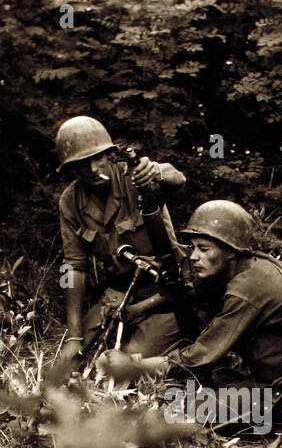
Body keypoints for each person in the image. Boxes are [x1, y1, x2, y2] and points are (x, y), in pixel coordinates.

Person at [107, 200, 282, 430]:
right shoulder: (250, 269)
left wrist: (134, 364)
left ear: (230, 251)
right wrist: (140, 309)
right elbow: (191, 293)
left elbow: (200, 357)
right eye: (192, 247)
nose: (194, 257)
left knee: (177, 408)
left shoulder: (248, 288)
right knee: (185, 390)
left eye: (204, 248)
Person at [54, 116, 185, 361]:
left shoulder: (134, 178)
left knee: (126, 361)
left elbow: (177, 180)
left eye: (98, 158)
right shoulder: (70, 201)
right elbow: (74, 267)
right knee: (66, 362)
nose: (93, 169)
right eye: (83, 164)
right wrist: (74, 335)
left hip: (165, 292)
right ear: (72, 168)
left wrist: (155, 171)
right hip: (120, 291)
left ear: (109, 155)